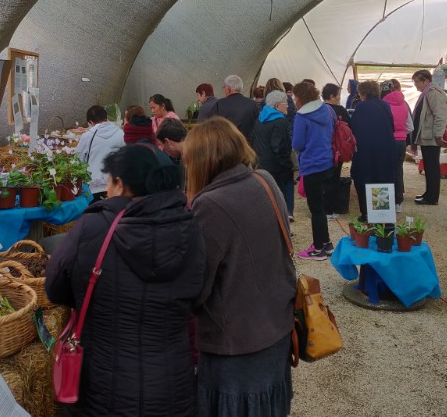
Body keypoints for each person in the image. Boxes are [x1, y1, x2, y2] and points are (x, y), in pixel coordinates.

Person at [45, 144, 205, 416]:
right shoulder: (189, 227)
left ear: (119, 183)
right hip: (171, 384)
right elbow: (199, 294)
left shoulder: (93, 226)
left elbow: (55, 287)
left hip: (103, 387)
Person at [184, 118, 296, 417]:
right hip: (276, 325)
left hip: (237, 343)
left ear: (199, 161)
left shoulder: (209, 205)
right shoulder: (265, 180)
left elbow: (196, 287)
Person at [291, 81, 335, 259]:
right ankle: (327, 243)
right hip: (327, 162)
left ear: (300, 97)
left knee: (315, 209)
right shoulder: (326, 110)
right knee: (321, 207)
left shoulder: (302, 116)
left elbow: (297, 144)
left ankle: (318, 248)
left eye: (295, 96)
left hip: (311, 166)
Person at [350, 81, 396, 221]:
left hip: (367, 150)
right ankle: (381, 213)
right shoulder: (385, 105)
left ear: (363, 93)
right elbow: (391, 126)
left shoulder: (362, 107)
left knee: (364, 180)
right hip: (386, 148)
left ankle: (367, 214)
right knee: (382, 179)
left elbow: (355, 128)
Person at [252, 90, 295, 220]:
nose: (288, 106)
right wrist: (288, 165)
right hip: (277, 166)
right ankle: (287, 214)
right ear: (277, 106)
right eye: (285, 103)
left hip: (261, 164)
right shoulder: (280, 121)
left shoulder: (260, 118)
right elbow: (279, 147)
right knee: (282, 193)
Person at [411, 69, 447, 205]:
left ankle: (432, 197)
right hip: (428, 135)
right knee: (428, 166)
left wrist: (439, 134)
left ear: (426, 81)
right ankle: (428, 193)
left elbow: (440, 115)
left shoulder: (433, 93)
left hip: (432, 136)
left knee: (432, 167)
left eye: (417, 81)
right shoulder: (427, 92)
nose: (415, 84)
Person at [75, 105, 125, 199]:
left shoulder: (88, 136)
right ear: (106, 118)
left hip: (93, 187)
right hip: (116, 185)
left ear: (90, 122)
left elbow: (78, 160)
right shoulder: (120, 133)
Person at [321, 82, 351, 219]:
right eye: (338, 95)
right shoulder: (340, 110)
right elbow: (350, 129)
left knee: (321, 179)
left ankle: (321, 207)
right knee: (333, 179)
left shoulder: (319, 109)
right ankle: (329, 209)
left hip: (321, 149)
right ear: (332, 96)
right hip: (336, 150)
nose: (340, 97)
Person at [381, 80, 410, 210]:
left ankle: (385, 202)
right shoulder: (404, 104)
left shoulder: (382, 105)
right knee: (398, 170)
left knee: (385, 170)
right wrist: (402, 133)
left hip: (387, 140)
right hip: (401, 142)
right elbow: (410, 126)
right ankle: (398, 202)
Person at [209, 74, 260, 142]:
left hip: (227, 147)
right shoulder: (253, 104)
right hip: (248, 147)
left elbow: (212, 126)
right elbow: (259, 127)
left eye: (224, 87)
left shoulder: (220, 104)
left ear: (228, 89)